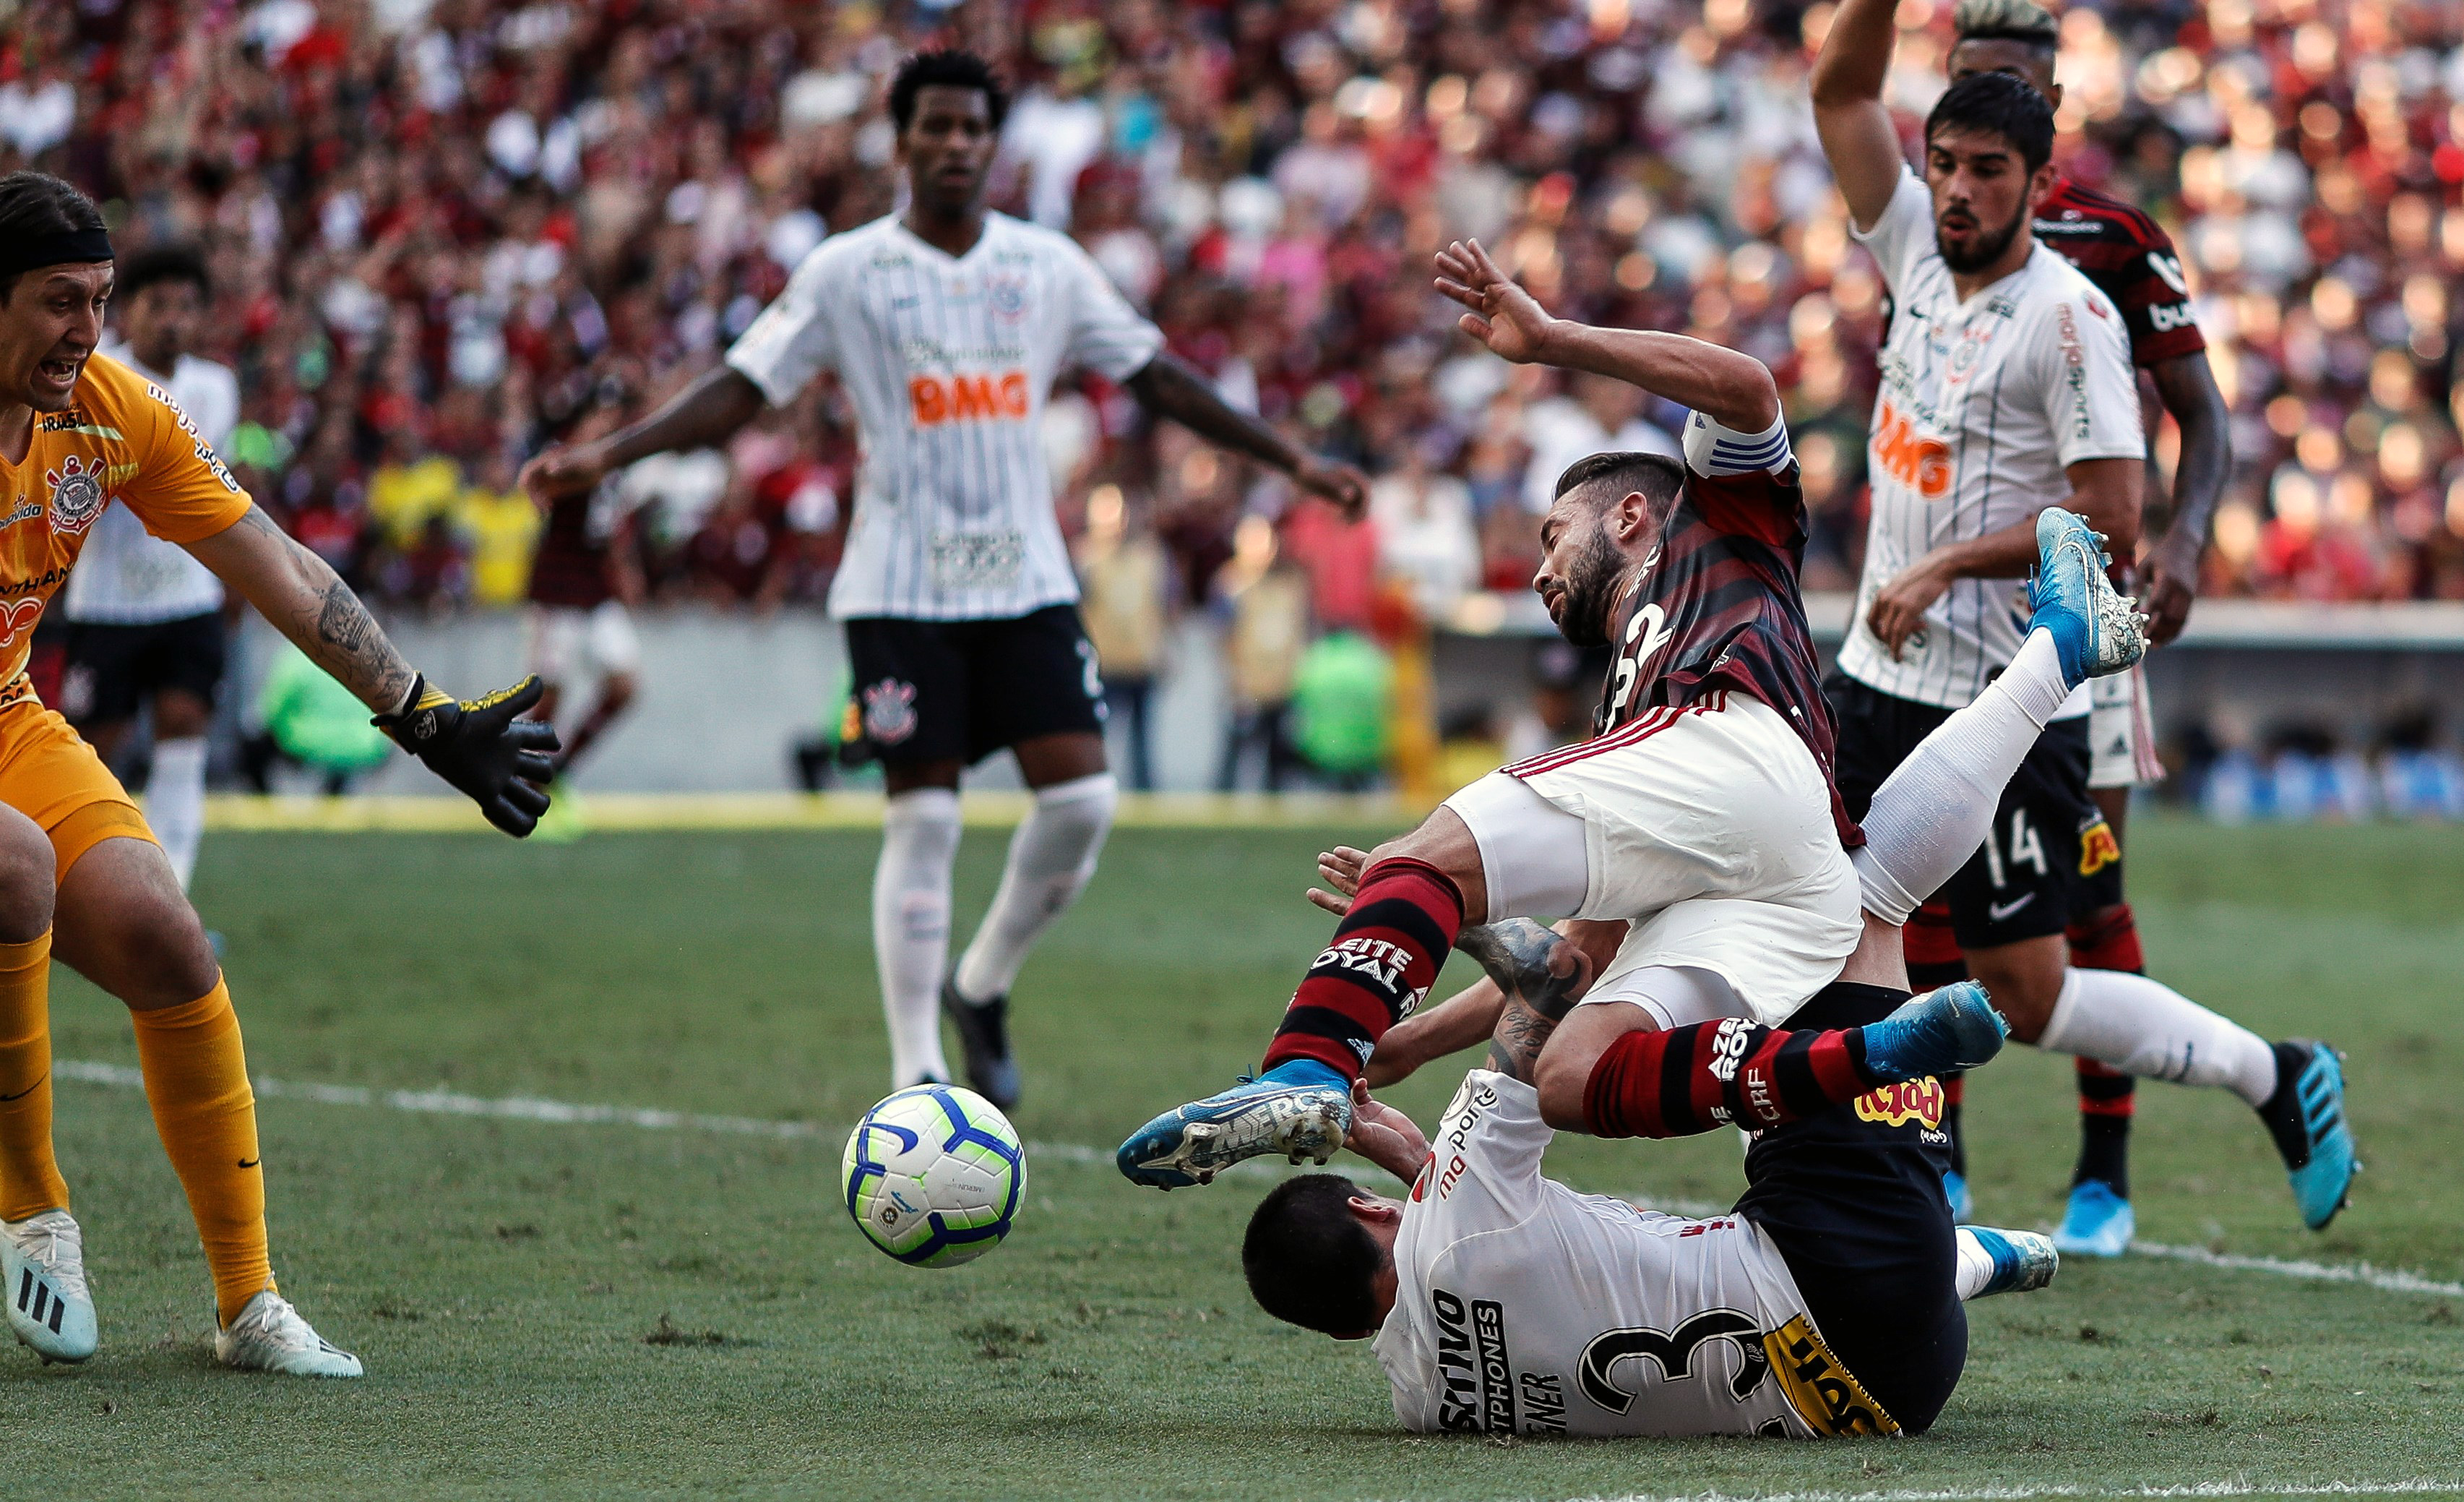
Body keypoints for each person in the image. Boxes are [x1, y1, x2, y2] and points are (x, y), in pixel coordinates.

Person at [1117, 241, 2167, 1196]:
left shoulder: (1719, 516)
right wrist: (1415, 1039)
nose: (1535, 570)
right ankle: (1873, 1054)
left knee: (1425, 854)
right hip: (1789, 877)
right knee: (1567, 1070)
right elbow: (1572, 960)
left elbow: (1748, 385)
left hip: (1740, 753)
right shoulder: (1631, 698)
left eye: (1549, 535)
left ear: (1626, 515)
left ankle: (1306, 1064)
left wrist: (1553, 342)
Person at [520, 50, 1368, 1108]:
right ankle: (916, 1066)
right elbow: (744, 387)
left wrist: (1289, 459)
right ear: (903, 139)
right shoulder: (845, 270)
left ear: (993, 143)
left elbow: (1152, 372)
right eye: (939, 127)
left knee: (1084, 800)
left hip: (1024, 581)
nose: (958, 144)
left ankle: (982, 982)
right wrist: (609, 455)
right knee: (925, 821)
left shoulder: (1044, 266)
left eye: (976, 128)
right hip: (898, 590)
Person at [1809, 0, 2351, 1233]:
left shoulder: (2073, 317)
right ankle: (1898, 1172)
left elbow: (2108, 519)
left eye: (1984, 172)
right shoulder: (1909, 250)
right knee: (1842, 922)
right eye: (1941, 165)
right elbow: (1840, 98)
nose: (1952, 191)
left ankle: (2276, 1075)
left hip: (2007, 694)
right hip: (1877, 675)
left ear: (2039, 179)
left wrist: (1948, 563)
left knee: (2032, 985)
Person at [0, 171, 555, 1375]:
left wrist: (417, 712)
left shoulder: (112, 409)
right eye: (58, 303)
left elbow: (269, 556)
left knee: (169, 937)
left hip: (6, 712)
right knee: (15, 863)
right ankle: (34, 1211)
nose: (87, 331)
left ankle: (249, 1306)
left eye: (98, 300)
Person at [1241, 922, 2054, 1438]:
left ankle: (1974, 1257)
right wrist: (1430, 904)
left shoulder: (1419, 1405)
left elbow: (1468, 1260)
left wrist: (1426, 1164)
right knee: (1864, 898)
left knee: (1766, 1182)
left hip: (1884, 1400)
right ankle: (2047, 664)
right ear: (1366, 1200)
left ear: (1342, 1329)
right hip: (1840, 1265)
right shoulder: (1456, 1208)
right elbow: (1552, 972)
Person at [1943, 0, 2234, 1258]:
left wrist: (2184, 537)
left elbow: (2203, 415)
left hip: (2076, 613)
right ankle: (1935, 1154)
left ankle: (2104, 1167)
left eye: (2016, 78)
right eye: (1972, 84)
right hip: (1942, 620)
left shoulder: (2114, 240)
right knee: (1924, 886)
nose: (1995, 94)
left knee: (2088, 885)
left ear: (2053, 101)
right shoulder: (1921, 240)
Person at [54, 245, 235, 893]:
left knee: (183, 732)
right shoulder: (93, 379)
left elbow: (218, 488)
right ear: (128, 310)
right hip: (107, 605)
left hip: (188, 598)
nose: (174, 321)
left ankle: (172, 894)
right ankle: (85, 889)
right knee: (96, 751)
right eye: (160, 305)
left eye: (188, 307)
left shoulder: (216, 388)